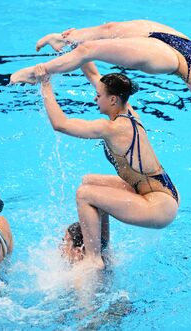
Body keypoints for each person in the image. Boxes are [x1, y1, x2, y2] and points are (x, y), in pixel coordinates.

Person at [10, 19, 191, 232]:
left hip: (171, 59)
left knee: (90, 51)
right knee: (109, 30)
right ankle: (64, 40)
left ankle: (38, 74)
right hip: (182, 41)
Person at [36, 63, 179, 269]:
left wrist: (45, 83)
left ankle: (93, 260)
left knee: (85, 194)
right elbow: (94, 74)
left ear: (112, 99)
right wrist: (79, 49)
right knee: (90, 181)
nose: (95, 98)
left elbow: (61, 124)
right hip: (162, 191)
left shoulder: (111, 127)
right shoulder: (128, 112)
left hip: (159, 207)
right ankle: (103, 247)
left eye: (99, 95)